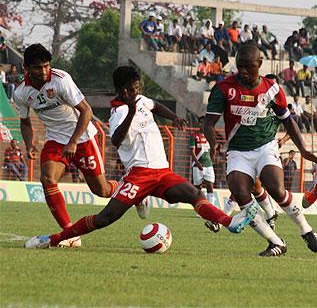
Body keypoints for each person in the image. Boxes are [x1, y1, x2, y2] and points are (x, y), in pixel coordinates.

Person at [24, 66, 258, 249]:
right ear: (124, 91)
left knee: (194, 194)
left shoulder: (141, 100)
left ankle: (230, 223)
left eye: (139, 87)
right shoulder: (120, 111)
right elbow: (115, 139)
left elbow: (155, 105)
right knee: (105, 218)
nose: (138, 91)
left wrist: (173, 118)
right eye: (134, 89)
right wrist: (132, 111)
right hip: (139, 176)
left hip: (163, 172)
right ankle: (53, 239)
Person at [204, 43, 317, 257]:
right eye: (240, 66)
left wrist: (303, 150)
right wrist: (213, 144)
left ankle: (306, 229)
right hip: (238, 151)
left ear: (260, 64)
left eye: (249, 67)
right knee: (241, 194)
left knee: (275, 189)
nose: (243, 71)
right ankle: (276, 242)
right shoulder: (224, 88)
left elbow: (288, 122)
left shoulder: (272, 89)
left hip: (265, 147)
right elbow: (209, 122)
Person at [14, 44, 119, 247]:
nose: (44, 71)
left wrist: (73, 142)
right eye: (38, 67)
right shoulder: (20, 92)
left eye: (46, 66)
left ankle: (130, 189)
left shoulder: (61, 80)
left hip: (83, 138)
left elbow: (86, 111)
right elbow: (25, 121)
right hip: (55, 140)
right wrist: (30, 144)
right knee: (47, 179)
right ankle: (70, 234)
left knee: (102, 191)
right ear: (26, 67)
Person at [189, 117, 216, 205]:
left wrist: (211, 161)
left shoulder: (210, 136)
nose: (203, 125)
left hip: (208, 165)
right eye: (201, 123)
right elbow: (192, 152)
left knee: (210, 186)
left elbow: (213, 150)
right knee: (198, 187)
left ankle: (211, 208)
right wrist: (198, 163)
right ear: (198, 124)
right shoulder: (194, 136)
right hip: (197, 165)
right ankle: (199, 208)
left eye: (204, 123)